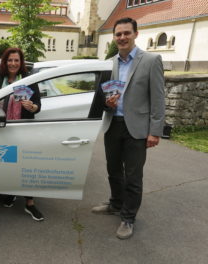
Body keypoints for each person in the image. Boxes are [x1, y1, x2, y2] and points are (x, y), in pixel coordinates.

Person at [91, 17, 165, 239]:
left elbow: (158, 98)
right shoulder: (110, 62)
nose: (122, 37)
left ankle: (128, 218)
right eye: (118, 34)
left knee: (133, 177)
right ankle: (115, 203)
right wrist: (107, 103)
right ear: (114, 37)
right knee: (113, 170)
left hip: (138, 128)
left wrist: (155, 131)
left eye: (126, 33)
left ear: (135, 34)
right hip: (113, 124)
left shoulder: (151, 60)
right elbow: (102, 95)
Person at [0, 47, 43, 221]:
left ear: (21, 63)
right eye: (10, 60)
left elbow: (38, 105)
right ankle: (12, 192)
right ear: (5, 62)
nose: (13, 63)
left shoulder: (29, 80)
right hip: (3, 130)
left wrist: (32, 106)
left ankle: (30, 203)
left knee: (26, 166)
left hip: (23, 129)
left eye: (16, 60)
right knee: (9, 163)